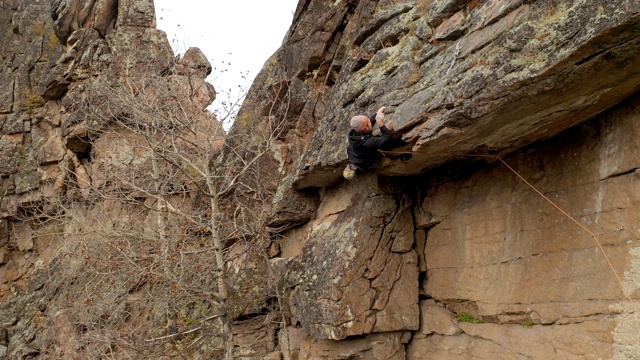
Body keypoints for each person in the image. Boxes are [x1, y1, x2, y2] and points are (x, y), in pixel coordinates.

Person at [344, 106, 394, 180]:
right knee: (387, 160)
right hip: (367, 162)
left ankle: (353, 167)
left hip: (356, 156)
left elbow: (368, 123)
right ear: (366, 128)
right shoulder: (369, 142)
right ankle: (401, 157)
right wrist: (380, 124)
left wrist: (378, 112)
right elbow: (387, 138)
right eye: (369, 123)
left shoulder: (354, 133)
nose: (371, 122)